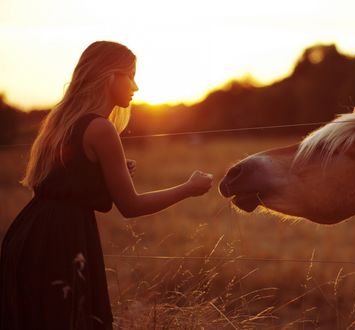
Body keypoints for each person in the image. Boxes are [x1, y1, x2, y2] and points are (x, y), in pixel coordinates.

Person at [0, 41, 213, 329]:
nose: (135, 87)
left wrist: (102, 174)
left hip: (29, 233)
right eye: (130, 75)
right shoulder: (101, 128)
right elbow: (131, 206)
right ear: (110, 76)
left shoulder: (63, 120)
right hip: (63, 239)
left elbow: (65, 179)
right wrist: (188, 187)